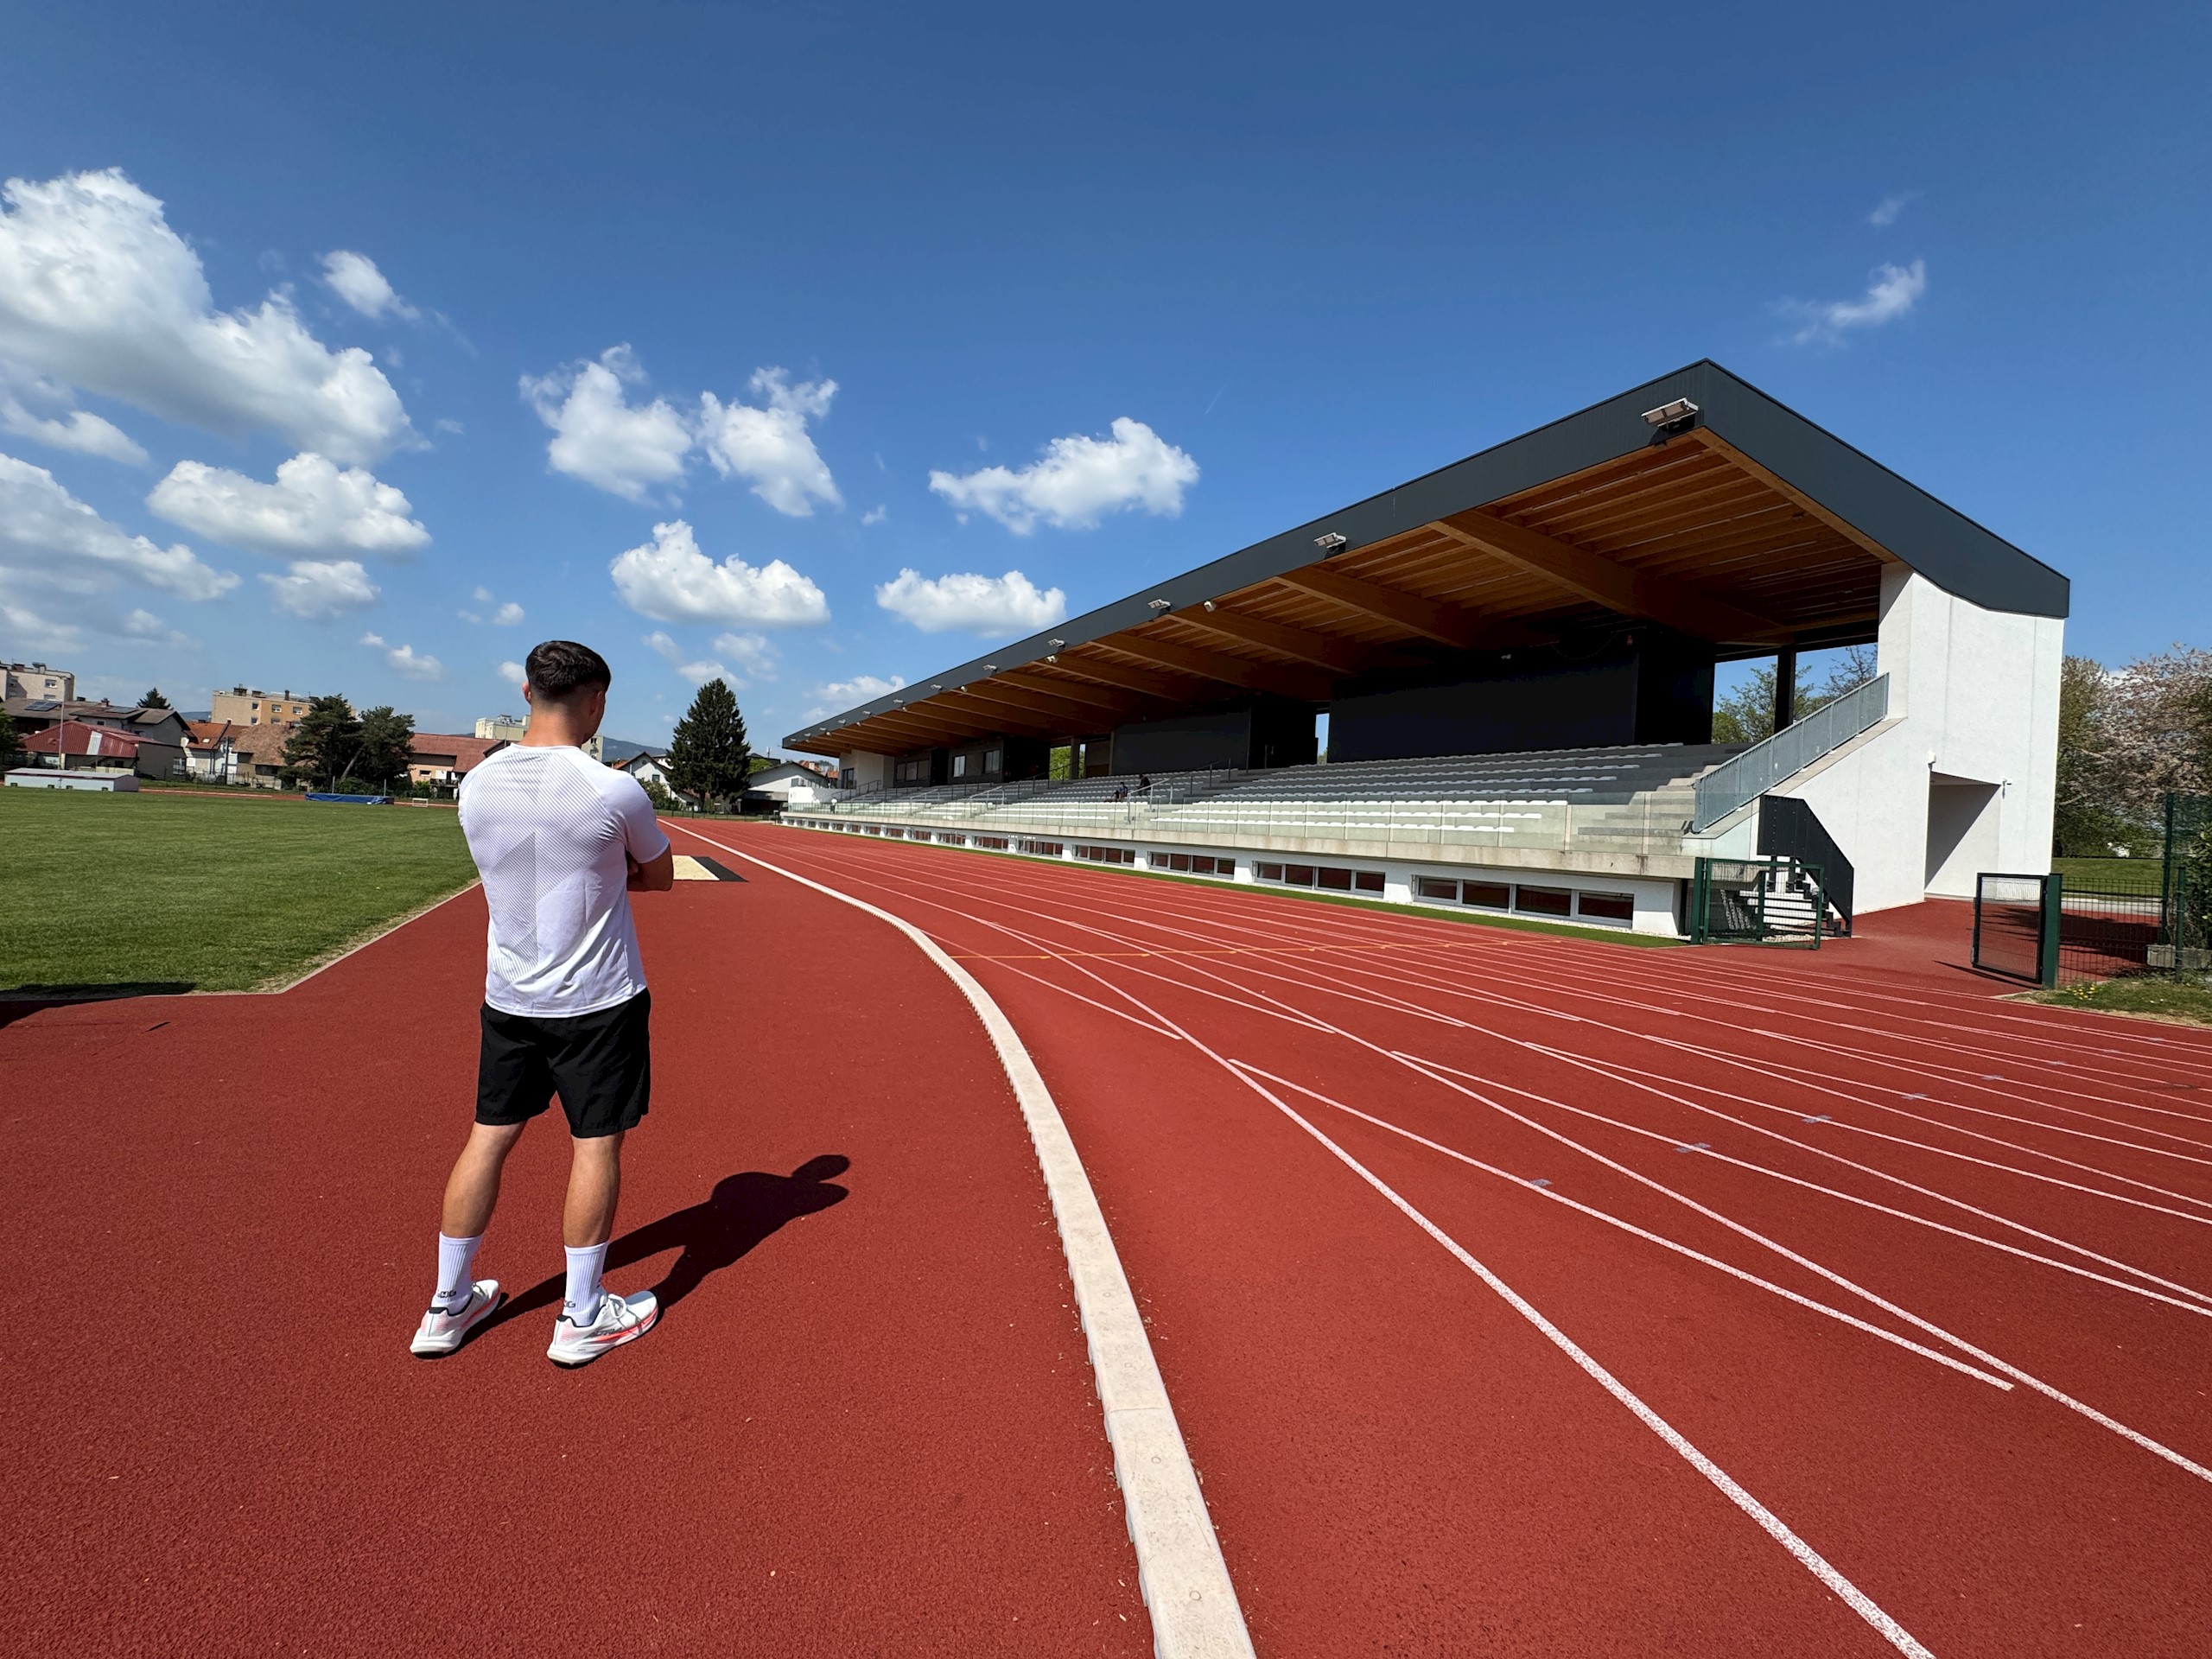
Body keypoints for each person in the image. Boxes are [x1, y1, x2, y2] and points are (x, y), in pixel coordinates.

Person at [410, 639, 676, 1365]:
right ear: (596, 703)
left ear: (527, 694)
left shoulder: (477, 785)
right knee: (596, 1144)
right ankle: (582, 1313)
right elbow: (661, 877)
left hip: (510, 993)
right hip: (598, 997)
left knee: (489, 1136)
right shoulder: (613, 789)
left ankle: (446, 1304)